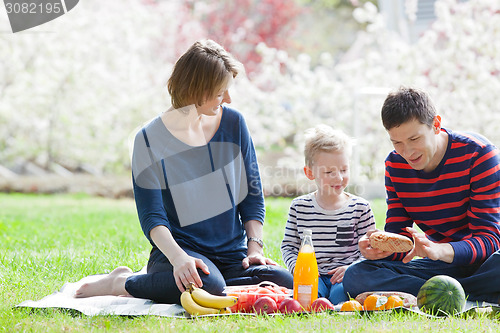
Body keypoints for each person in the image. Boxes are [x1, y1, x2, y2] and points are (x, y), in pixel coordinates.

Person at [75, 39, 293, 304]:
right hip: (179, 251)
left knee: (285, 282)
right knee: (209, 285)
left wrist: (254, 247)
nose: (228, 99)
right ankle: (122, 281)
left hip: (232, 254)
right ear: (196, 91)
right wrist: (178, 258)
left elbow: (252, 194)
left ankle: (212, 277)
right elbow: (152, 216)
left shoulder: (234, 123)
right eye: (220, 92)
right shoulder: (149, 139)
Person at [343, 86, 500, 304]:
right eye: (397, 142)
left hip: (484, 262)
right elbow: (400, 238)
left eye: (414, 139)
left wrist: (440, 250)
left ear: (436, 125)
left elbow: (489, 240)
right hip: (437, 264)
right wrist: (383, 249)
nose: (407, 152)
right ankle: (455, 293)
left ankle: (439, 293)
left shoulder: (479, 154)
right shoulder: (395, 165)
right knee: (357, 275)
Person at [281, 125, 376, 305]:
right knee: (307, 299)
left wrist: (351, 268)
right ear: (310, 173)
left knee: (340, 299)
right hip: (311, 274)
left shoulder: (360, 208)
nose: (338, 178)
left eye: (343, 170)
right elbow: (289, 246)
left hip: (346, 276)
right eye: (329, 172)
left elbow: (371, 251)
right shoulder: (299, 207)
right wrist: (298, 268)